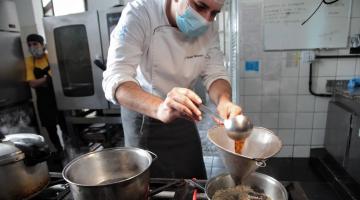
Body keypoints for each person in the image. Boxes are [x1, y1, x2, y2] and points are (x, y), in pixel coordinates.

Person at [103, 0, 242, 179]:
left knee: (192, 179)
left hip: (184, 111)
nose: (206, 20)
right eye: (200, 6)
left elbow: (215, 72)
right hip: (144, 115)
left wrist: (224, 102)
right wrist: (160, 108)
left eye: (214, 13)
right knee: (151, 185)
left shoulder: (209, 26)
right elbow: (116, 79)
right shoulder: (140, 13)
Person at [25, 34, 65, 154]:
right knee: (50, 128)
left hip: (58, 97)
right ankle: (59, 151)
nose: (32, 47)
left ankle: (70, 148)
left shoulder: (50, 57)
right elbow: (32, 83)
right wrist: (48, 77)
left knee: (64, 125)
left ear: (42, 45)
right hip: (43, 100)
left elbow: (58, 75)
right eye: (29, 45)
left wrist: (42, 79)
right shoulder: (29, 61)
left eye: (35, 44)